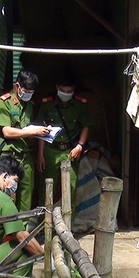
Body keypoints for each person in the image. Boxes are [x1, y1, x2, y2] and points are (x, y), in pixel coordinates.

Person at [35, 73, 94, 213]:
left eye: (69, 91)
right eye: (63, 91)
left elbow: (87, 125)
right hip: (50, 151)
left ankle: (68, 226)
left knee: (70, 188)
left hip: (70, 152)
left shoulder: (80, 105)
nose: (66, 94)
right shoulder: (47, 105)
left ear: (73, 90)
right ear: (57, 88)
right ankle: (45, 224)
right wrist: (40, 154)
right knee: (46, 188)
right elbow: (40, 132)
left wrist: (80, 146)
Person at [0, 69, 49, 213]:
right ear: (18, 86)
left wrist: (41, 132)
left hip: (27, 158)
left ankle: (21, 232)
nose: (28, 94)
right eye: (26, 90)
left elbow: (28, 131)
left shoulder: (30, 106)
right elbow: (6, 131)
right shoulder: (4, 102)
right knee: (6, 196)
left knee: (26, 198)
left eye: (31, 91)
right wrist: (32, 131)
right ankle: (7, 233)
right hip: (9, 157)